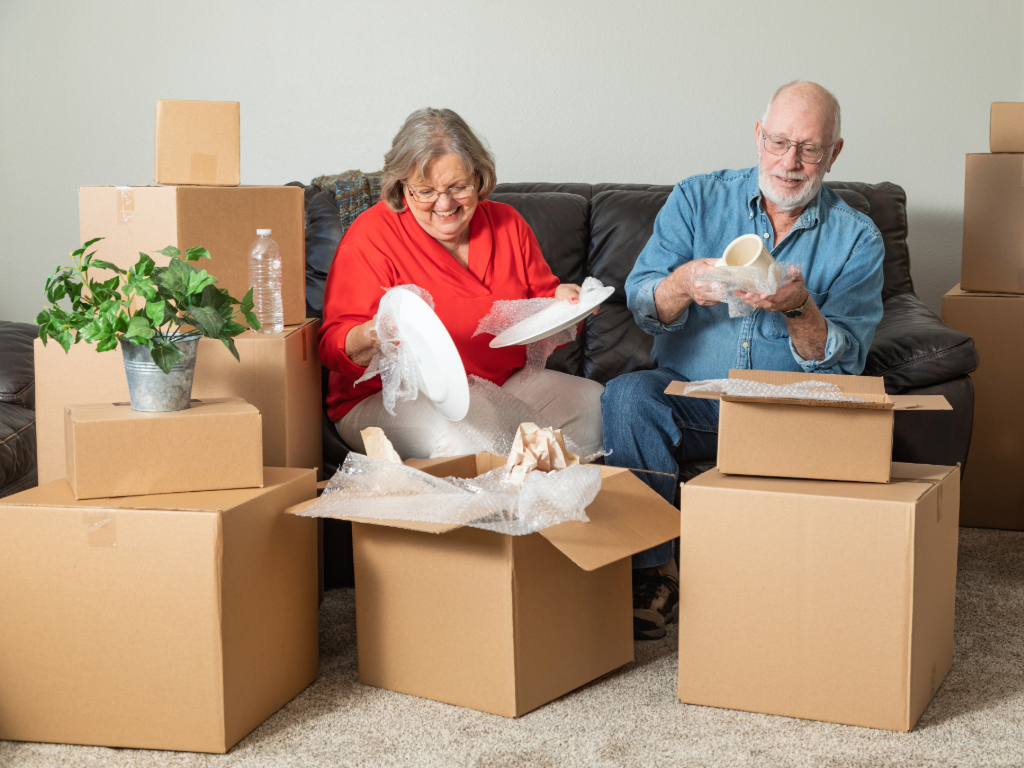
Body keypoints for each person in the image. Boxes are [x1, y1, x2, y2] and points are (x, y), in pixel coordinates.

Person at [603, 81, 885, 640]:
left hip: (788, 408)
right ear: (759, 137)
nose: (791, 162)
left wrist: (800, 308)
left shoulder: (857, 239)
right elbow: (641, 300)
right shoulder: (696, 199)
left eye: (809, 148)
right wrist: (683, 283)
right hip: (693, 399)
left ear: (834, 153)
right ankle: (654, 572)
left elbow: (843, 368)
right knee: (628, 395)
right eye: (779, 142)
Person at [319, 108, 604, 460]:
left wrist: (564, 298)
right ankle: (498, 511)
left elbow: (542, 301)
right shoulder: (371, 234)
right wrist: (372, 336)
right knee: (460, 441)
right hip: (392, 397)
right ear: (400, 186)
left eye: (458, 187)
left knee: (594, 404)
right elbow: (332, 346)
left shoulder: (508, 224)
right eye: (425, 191)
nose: (444, 203)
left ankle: (550, 507)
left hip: (498, 385)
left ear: (479, 177)